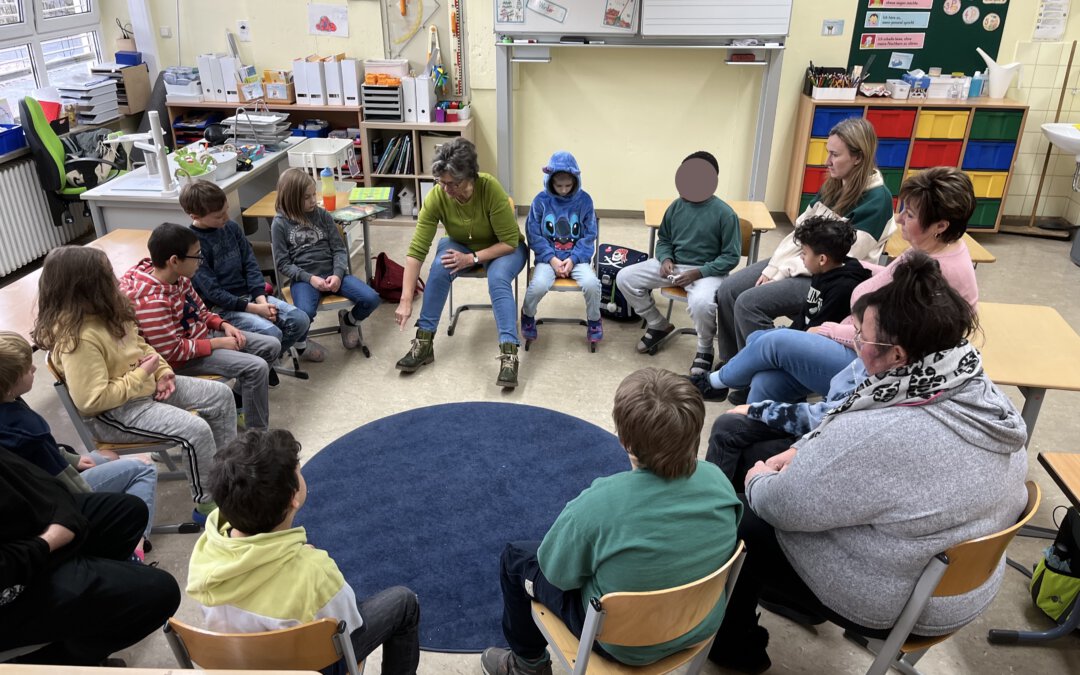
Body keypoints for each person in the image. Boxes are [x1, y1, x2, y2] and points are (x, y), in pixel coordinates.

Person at [707, 252, 1029, 673]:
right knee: (761, 455)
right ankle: (773, 598)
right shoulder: (979, 389)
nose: (856, 347)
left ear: (896, 355)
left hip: (900, 600)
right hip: (962, 581)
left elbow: (783, 504)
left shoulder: (881, 429)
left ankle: (733, 648)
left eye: (861, 338)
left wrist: (759, 479)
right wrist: (798, 452)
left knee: (746, 519)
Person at [481, 368, 741, 675]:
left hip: (621, 643)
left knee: (516, 558)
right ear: (695, 430)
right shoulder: (718, 481)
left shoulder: (598, 505)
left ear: (624, 440)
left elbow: (556, 574)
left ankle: (527, 665)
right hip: (700, 622)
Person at [699, 166, 978, 405]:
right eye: (903, 209)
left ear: (940, 225)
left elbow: (887, 340)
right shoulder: (930, 248)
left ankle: (713, 382)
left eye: (911, 214)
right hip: (857, 338)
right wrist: (856, 266)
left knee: (771, 341)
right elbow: (893, 276)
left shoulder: (941, 272)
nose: (900, 219)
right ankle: (759, 436)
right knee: (766, 379)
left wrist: (833, 331)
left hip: (871, 362)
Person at [187, 428, 420, 675]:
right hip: (306, 666)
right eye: (298, 470)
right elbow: (349, 625)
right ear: (293, 498)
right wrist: (306, 563)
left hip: (237, 658)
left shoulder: (206, 549)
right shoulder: (315, 571)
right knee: (405, 602)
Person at [35, 245, 237, 525]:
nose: (116, 279)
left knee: (221, 395)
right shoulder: (78, 339)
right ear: (88, 286)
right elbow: (91, 401)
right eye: (107, 275)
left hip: (145, 388)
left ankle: (225, 475)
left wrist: (162, 372)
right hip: (118, 413)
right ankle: (207, 506)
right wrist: (143, 375)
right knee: (196, 430)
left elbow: (141, 346)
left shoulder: (107, 311)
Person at [714, 117, 894, 373]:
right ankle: (734, 364)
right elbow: (799, 233)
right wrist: (774, 267)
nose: (827, 161)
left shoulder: (877, 200)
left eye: (835, 154)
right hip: (802, 260)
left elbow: (834, 259)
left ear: (858, 157)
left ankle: (765, 369)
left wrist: (782, 270)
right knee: (729, 290)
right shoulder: (834, 185)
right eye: (827, 152)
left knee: (749, 303)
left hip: (829, 277)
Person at [0, 447, 181, 666]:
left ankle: (94, 610)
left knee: (129, 512)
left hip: (25, 524)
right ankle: (57, 662)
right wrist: (49, 540)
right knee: (161, 592)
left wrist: (62, 509)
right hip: (12, 579)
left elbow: (33, 476)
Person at [0, 331, 158, 561]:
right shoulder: (25, 427)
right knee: (144, 466)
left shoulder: (11, 406)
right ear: (9, 383)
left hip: (41, 485)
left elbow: (46, 452)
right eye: (27, 369)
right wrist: (95, 510)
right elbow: (64, 482)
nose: (34, 370)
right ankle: (133, 545)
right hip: (61, 495)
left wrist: (72, 459)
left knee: (109, 455)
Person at [393, 137, 528, 388]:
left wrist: (472, 258)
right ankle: (423, 343)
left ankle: (509, 355)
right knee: (439, 266)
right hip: (461, 244)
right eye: (441, 182)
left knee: (498, 279)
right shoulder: (438, 196)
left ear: (470, 177)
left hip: (504, 248)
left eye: (452, 183)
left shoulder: (490, 189)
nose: (446, 189)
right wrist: (406, 299)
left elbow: (510, 241)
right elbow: (416, 250)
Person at [120, 222, 280, 431]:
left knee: (272, 345)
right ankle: (257, 436)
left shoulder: (179, 278)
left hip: (201, 339)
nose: (201, 261)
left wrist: (222, 324)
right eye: (196, 256)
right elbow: (171, 351)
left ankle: (239, 403)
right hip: (183, 360)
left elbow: (201, 311)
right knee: (256, 367)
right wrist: (216, 343)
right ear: (174, 261)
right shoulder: (152, 302)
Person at [615, 151, 741, 376]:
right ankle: (657, 323)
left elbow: (730, 257)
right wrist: (665, 259)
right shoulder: (675, 207)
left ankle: (704, 350)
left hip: (707, 271)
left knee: (702, 303)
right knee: (625, 277)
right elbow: (664, 239)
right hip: (674, 266)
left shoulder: (725, 214)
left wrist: (699, 272)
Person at [181, 181, 326, 364]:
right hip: (222, 308)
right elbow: (213, 293)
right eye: (219, 216)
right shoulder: (193, 245)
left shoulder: (231, 228)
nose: (226, 217)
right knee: (272, 333)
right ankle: (263, 364)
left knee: (300, 320)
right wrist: (255, 309)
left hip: (250, 296)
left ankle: (267, 361)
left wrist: (261, 300)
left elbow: (250, 264)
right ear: (194, 216)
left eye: (226, 210)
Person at [271, 167, 381, 351]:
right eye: (307, 197)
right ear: (291, 198)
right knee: (304, 313)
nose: (313, 200)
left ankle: (349, 321)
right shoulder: (280, 223)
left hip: (333, 274)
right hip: (305, 280)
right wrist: (310, 278)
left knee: (371, 298)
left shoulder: (322, 215)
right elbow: (283, 263)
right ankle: (301, 345)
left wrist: (338, 274)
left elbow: (339, 249)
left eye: (314, 194)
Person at [520, 151, 602, 345]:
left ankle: (594, 320)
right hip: (549, 260)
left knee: (592, 284)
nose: (564, 190)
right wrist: (552, 259)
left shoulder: (585, 201)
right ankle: (528, 315)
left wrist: (573, 259)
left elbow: (590, 235)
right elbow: (533, 235)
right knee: (538, 285)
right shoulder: (540, 201)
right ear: (550, 181)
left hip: (577, 259)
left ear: (576, 181)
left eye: (568, 185)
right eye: (559, 185)